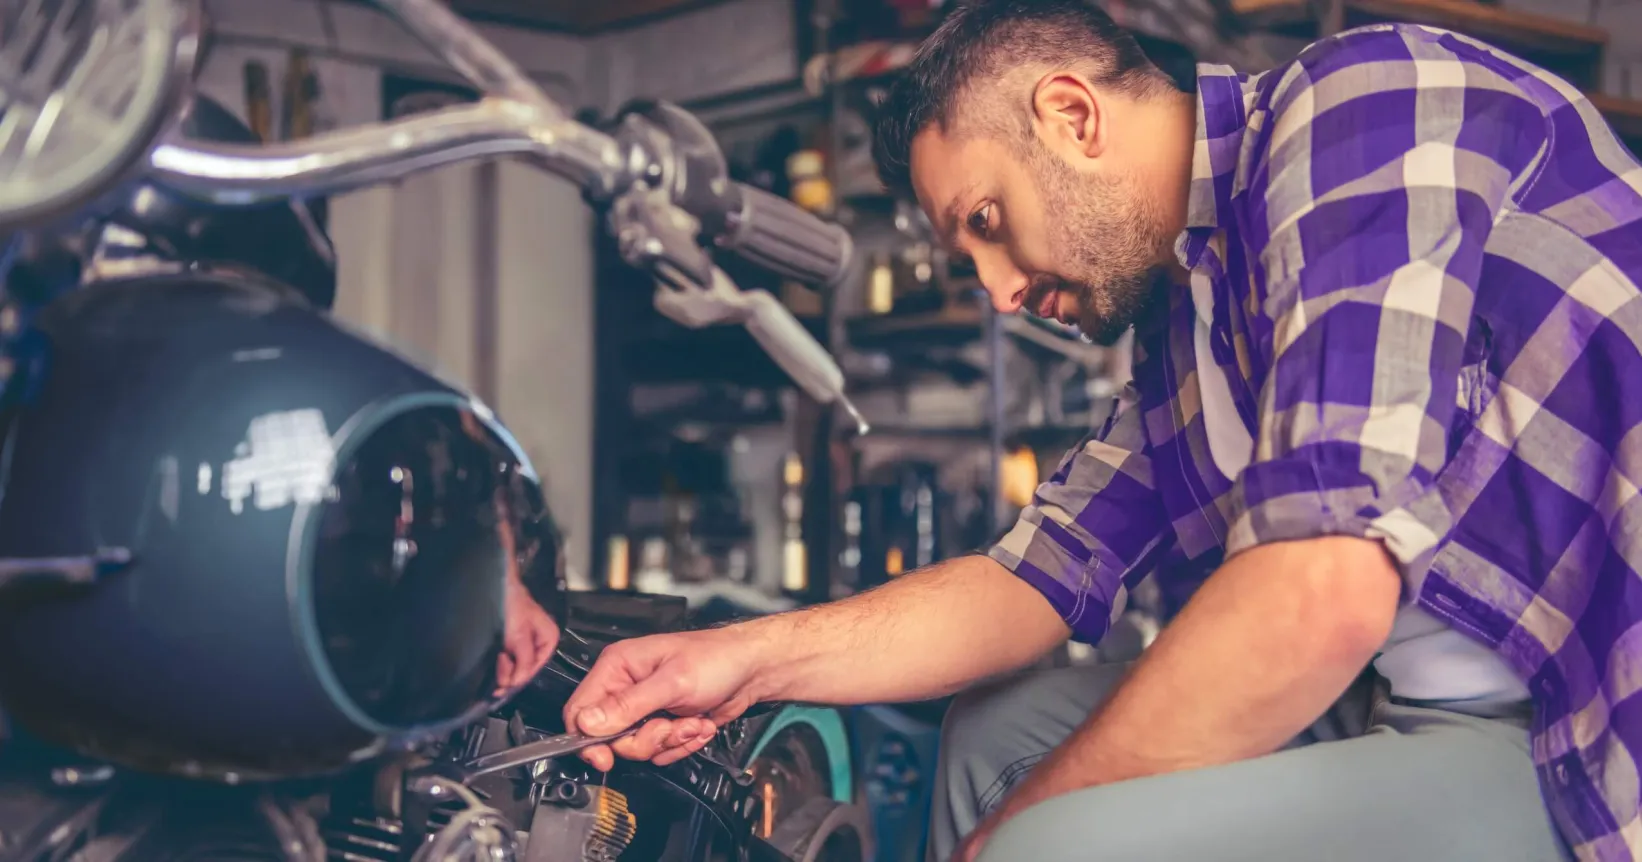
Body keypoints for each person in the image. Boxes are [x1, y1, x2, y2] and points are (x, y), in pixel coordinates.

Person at [564, 1, 1642, 859]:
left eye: (984, 223)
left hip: (1577, 735)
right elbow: (1028, 580)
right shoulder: (1190, 326)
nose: (994, 290)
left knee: (1047, 841)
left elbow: (1322, 593)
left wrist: (1013, 837)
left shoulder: (1358, 103)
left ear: (1072, 117)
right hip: (1401, 706)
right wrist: (740, 660)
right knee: (1000, 729)